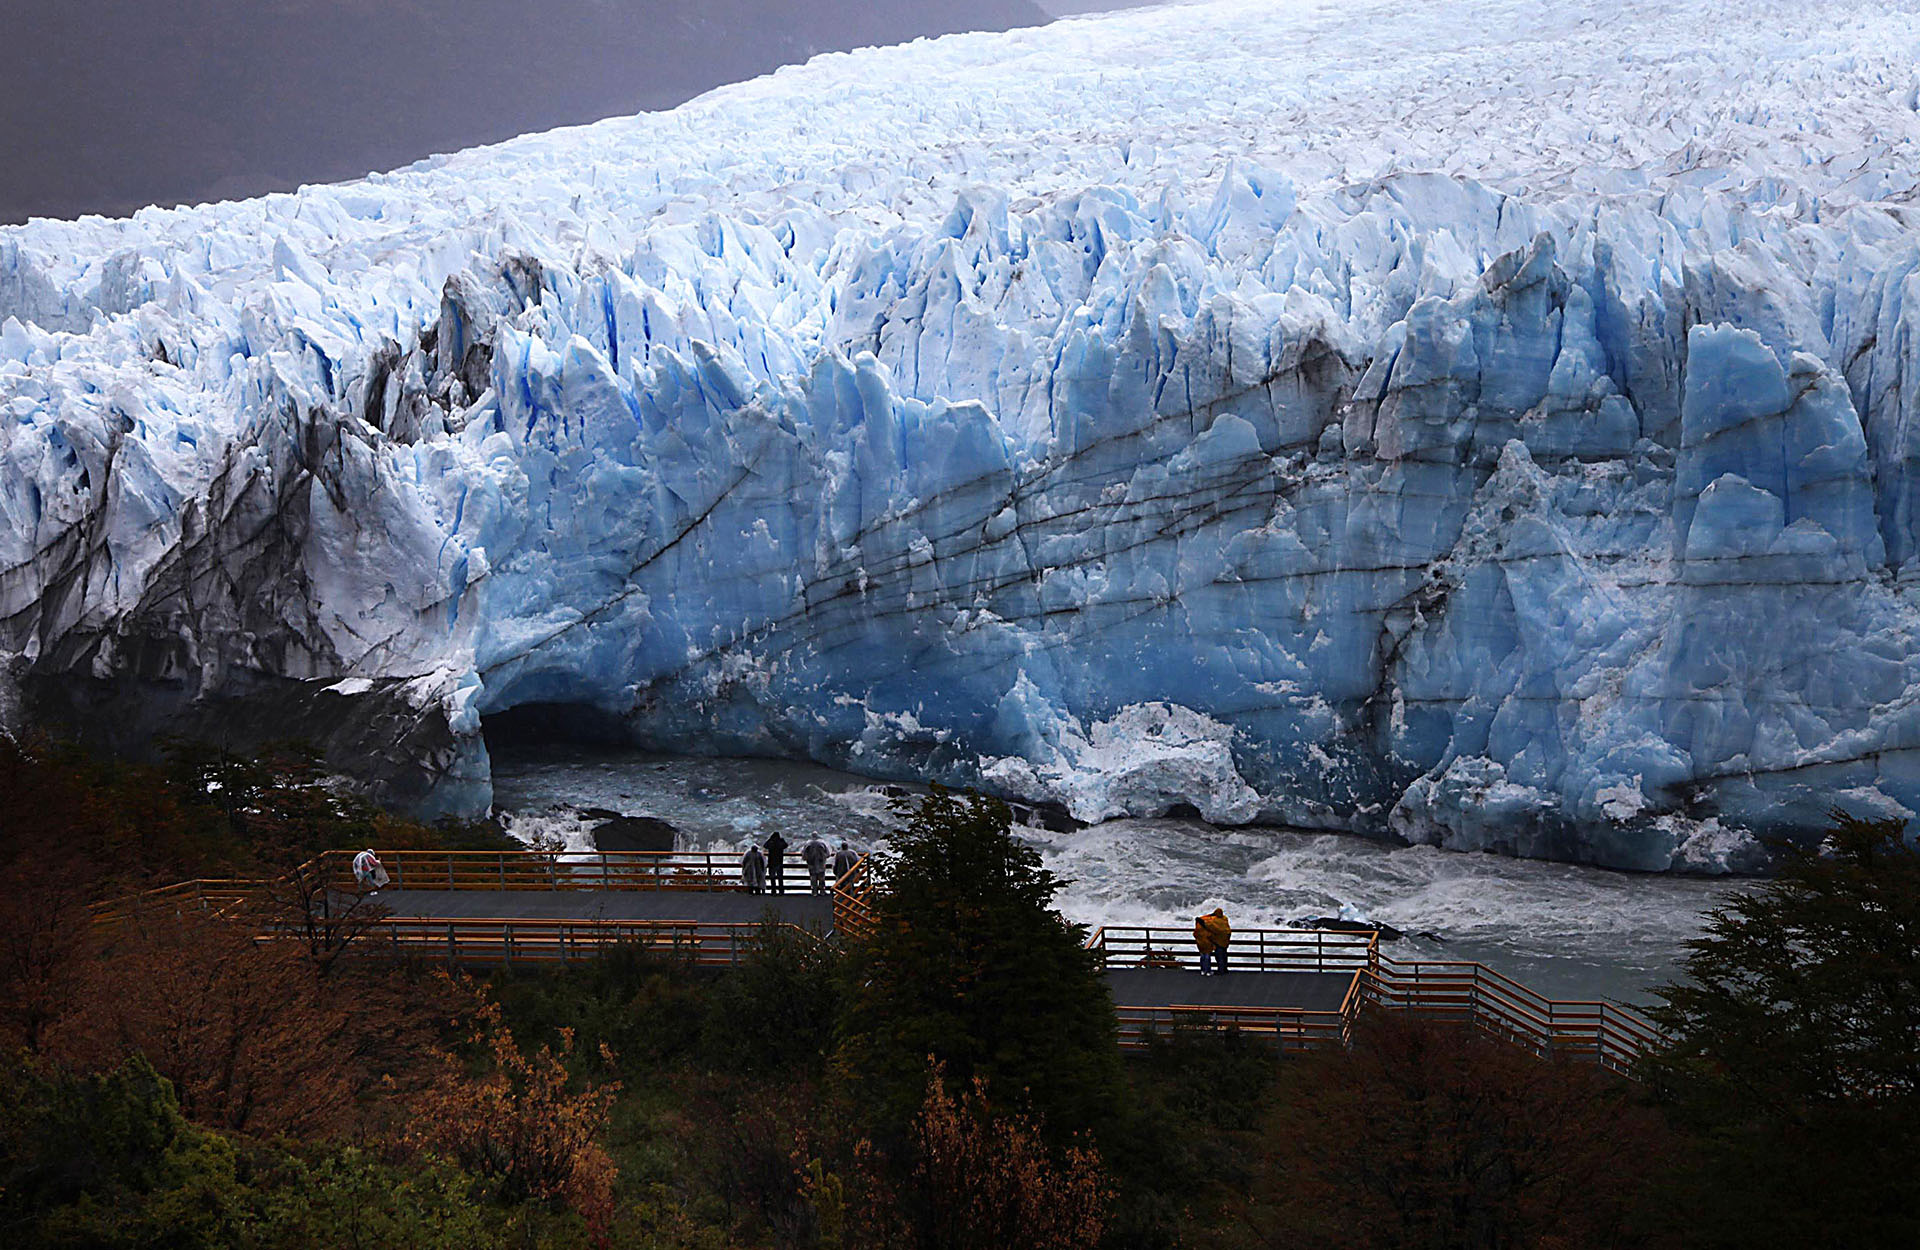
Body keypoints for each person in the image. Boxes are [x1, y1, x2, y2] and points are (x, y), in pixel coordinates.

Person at [1194, 907, 1232, 975]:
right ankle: (1224, 969)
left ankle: (1217, 970)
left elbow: (1209, 925)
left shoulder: (1215, 921)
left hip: (1218, 941)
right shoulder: (1224, 919)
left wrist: (1200, 920)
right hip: (1225, 940)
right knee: (1224, 955)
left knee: (1218, 956)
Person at [764, 830, 790, 895]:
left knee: (772, 878)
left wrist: (770, 839)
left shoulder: (771, 843)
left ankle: (773, 891)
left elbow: (765, 845)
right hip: (779, 862)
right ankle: (781, 891)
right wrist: (782, 840)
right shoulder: (780, 842)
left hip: (771, 862)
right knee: (780, 878)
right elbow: (786, 845)